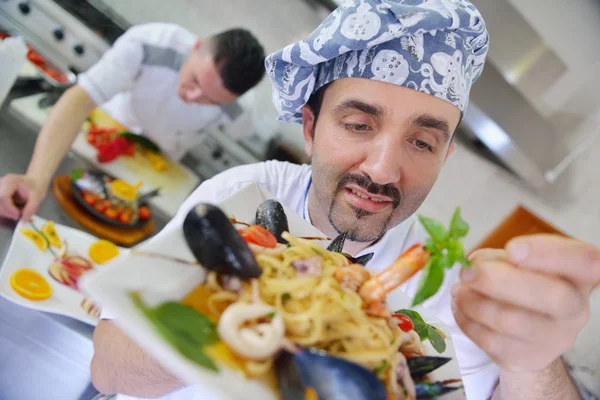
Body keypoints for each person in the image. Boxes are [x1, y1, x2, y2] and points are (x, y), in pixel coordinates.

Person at [90, 2, 600, 399]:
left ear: (444, 155)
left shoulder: (453, 292)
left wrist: (534, 362)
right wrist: (246, 325)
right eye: (358, 125)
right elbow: (107, 366)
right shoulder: (243, 195)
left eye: (422, 142)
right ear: (310, 128)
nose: (382, 169)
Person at [0, 23, 265, 222]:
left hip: (157, 168)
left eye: (210, 100)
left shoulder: (241, 111)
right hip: (102, 137)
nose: (192, 97)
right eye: (195, 80)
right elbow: (80, 99)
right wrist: (35, 179)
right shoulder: (149, 42)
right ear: (195, 47)